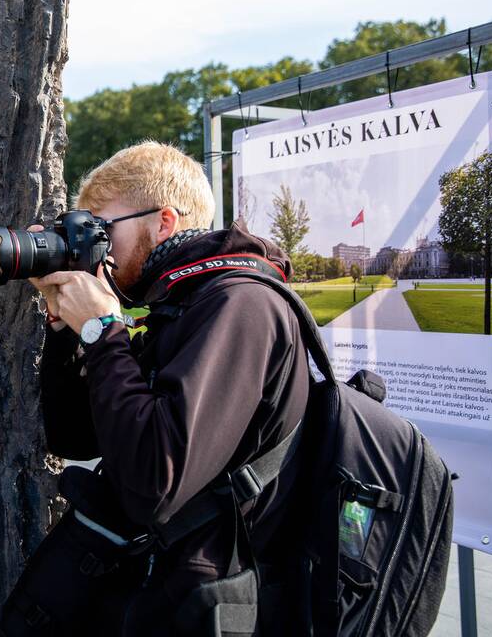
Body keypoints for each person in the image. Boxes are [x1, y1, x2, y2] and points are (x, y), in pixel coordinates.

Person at [27, 141, 309, 634]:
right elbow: (76, 436)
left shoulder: (241, 305)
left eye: (101, 230)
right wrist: (68, 327)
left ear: (164, 222)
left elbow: (154, 482)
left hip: (216, 604)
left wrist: (102, 331)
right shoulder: (175, 303)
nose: (93, 247)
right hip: (163, 593)